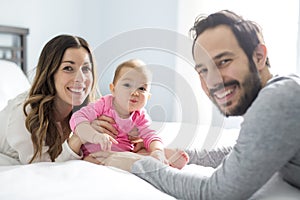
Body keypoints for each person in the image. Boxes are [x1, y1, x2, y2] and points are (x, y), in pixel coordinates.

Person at [90, 10, 300, 199]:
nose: (213, 80)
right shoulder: (279, 97)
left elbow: (217, 192)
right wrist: (180, 155)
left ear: (259, 56)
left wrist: (138, 164)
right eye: (203, 70)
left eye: (224, 61)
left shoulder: (278, 99)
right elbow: (243, 152)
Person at [70, 59, 189, 169]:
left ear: (148, 96)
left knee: (148, 150)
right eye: (127, 85)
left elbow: (150, 135)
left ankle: (160, 156)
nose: (135, 92)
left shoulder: (140, 116)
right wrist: (95, 136)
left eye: (142, 88)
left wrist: (157, 150)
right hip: (96, 154)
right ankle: (150, 160)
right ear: (113, 89)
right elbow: (77, 118)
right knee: (89, 162)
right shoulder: (103, 105)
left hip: (125, 155)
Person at [0, 34, 101, 164]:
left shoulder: (90, 111)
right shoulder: (25, 113)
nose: (80, 78)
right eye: (68, 68)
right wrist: (77, 139)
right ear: (50, 74)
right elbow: (42, 170)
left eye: (86, 68)